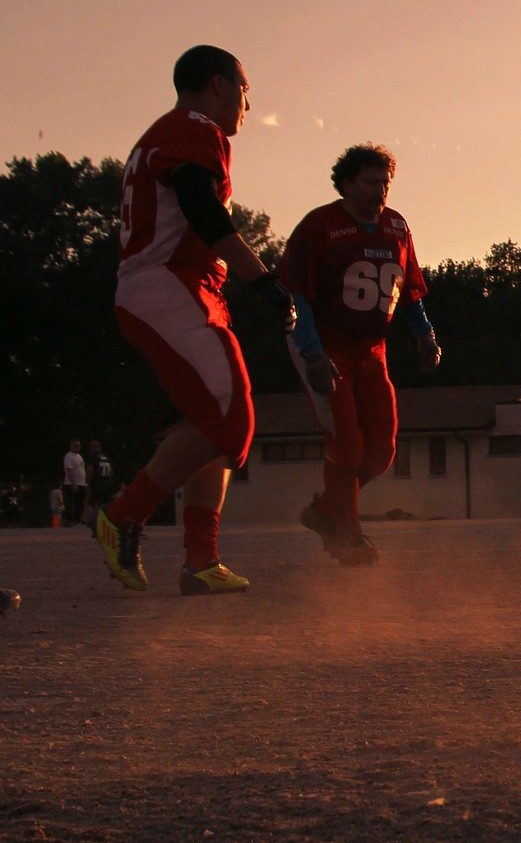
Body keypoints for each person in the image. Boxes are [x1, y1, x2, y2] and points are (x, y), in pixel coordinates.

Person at [94, 45, 315, 596]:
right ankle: (123, 514)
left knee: (216, 426)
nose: (248, 102)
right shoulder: (193, 126)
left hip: (181, 288)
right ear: (219, 85)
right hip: (168, 285)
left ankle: (201, 558)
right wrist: (262, 279)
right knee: (228, 417)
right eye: (244, 88)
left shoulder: (173, 132)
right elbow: (201, 207)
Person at [281, 144, 438, 566]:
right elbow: (298, 297)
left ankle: (326, 512)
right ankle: (346, 535)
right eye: (371, 182)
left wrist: (425, 334)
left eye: (385, 181)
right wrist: (313, 353)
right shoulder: (320, 225)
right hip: (326, 344)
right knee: (347, 443)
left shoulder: (397, 227)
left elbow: (407, 292)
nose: (380, 190)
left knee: (382, 450)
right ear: (346, 183)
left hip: (373, 350)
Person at [84, 439, 116, 522]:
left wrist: (87, 482)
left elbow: (90, 470)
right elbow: (111, 470)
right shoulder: (106, 457)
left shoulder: (92, 456)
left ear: (91, 447)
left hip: (98, 483)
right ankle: (109, 520)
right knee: (107, 504)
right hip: (109, 482)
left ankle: (88, 521)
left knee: (90, 503)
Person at [60, 440, 86, 527]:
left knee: (80, 503)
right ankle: (70, 521)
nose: (78, 447)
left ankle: (78, 521)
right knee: (71, 504)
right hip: (71, 484)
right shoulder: (69, 456)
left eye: (79, 445)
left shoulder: (79, 456)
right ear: (71, 446)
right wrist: (73, 483)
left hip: (81, 483)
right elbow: (69, 470)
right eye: (76, 445)